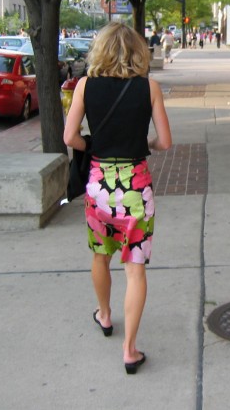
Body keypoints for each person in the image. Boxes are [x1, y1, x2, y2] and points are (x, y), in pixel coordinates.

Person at [63, 22, 172, 374]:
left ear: (101, 50)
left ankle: (106, 316)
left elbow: (70, 137)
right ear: (137, 52)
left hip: (98, 185)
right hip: (136, 186)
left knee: (100, 255)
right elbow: (165, 142)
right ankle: (129, 350)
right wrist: (146, 146)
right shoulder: (149, 87)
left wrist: (93, 146)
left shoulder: (84, 86)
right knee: (135, 268)